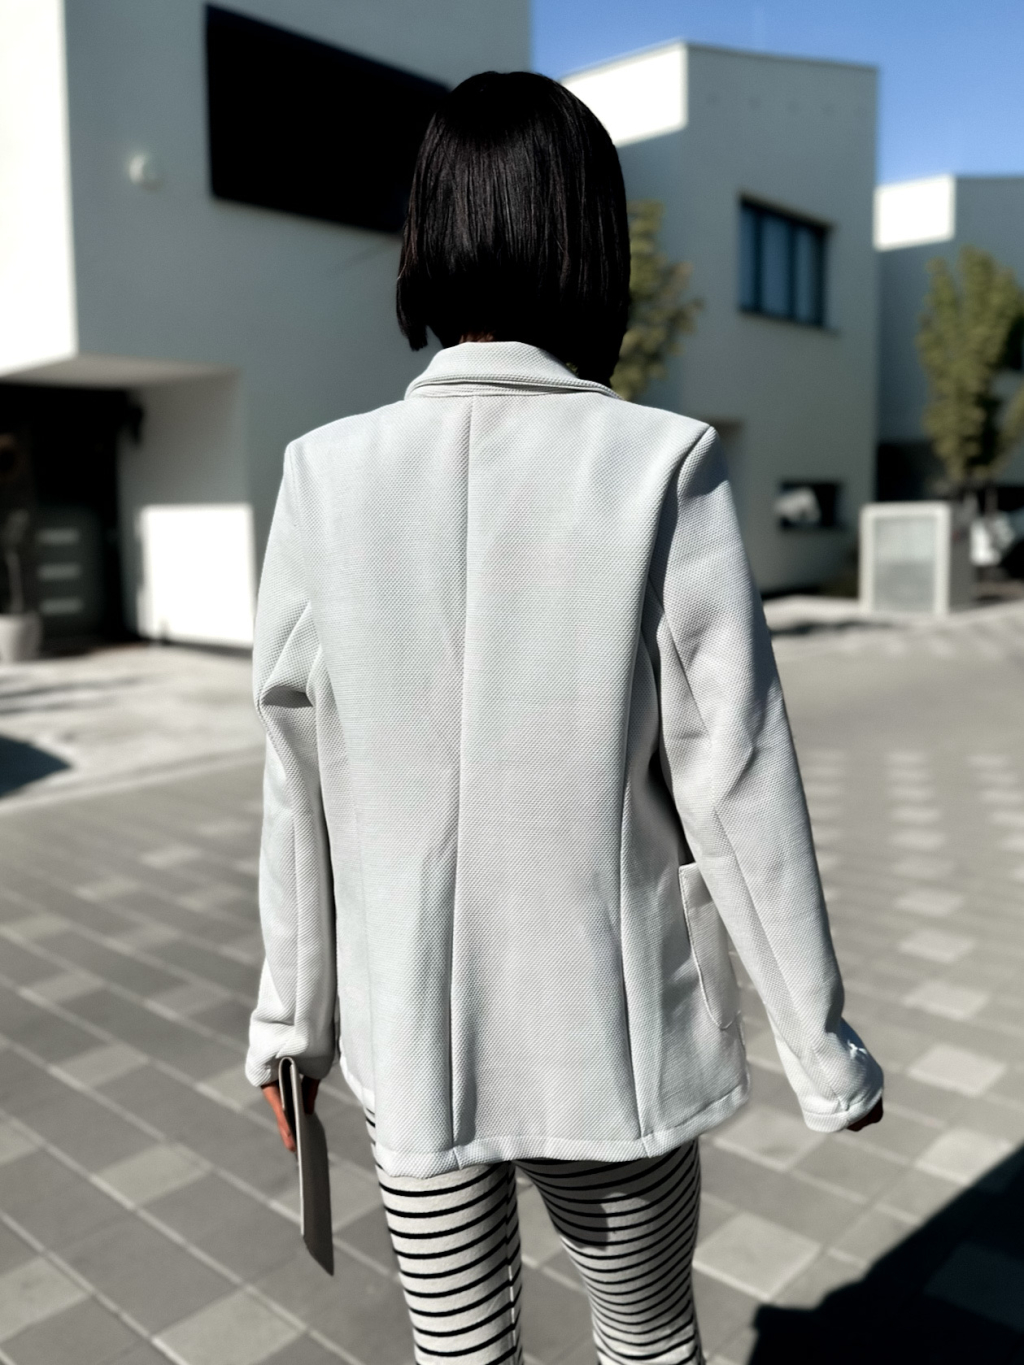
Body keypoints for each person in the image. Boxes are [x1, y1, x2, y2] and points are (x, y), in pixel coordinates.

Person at [246, 70, 883, 1365]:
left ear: (427, 238)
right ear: (591, 243)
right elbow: (736, 777)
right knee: (647, 1341)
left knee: (459, 1354)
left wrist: (290, 1023)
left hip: (412, 1038)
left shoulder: (323, 476)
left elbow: (294, 782)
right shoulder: (663, 465)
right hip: (612, 1037)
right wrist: (822, 1050)